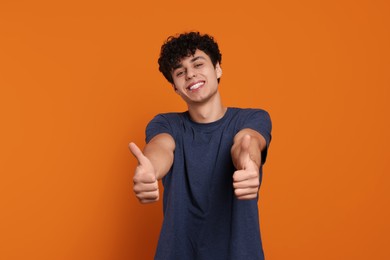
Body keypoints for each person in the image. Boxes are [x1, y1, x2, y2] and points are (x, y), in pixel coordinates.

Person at [129, 32, 272, 260]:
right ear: (175, 87)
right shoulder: (166, 123)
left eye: (198, 64)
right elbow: (161, 148)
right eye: (180, 72)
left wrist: (249, 162)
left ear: (217, 69)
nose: (190, 74)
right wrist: (149, 171)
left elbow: (247, 143)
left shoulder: (252, 118)